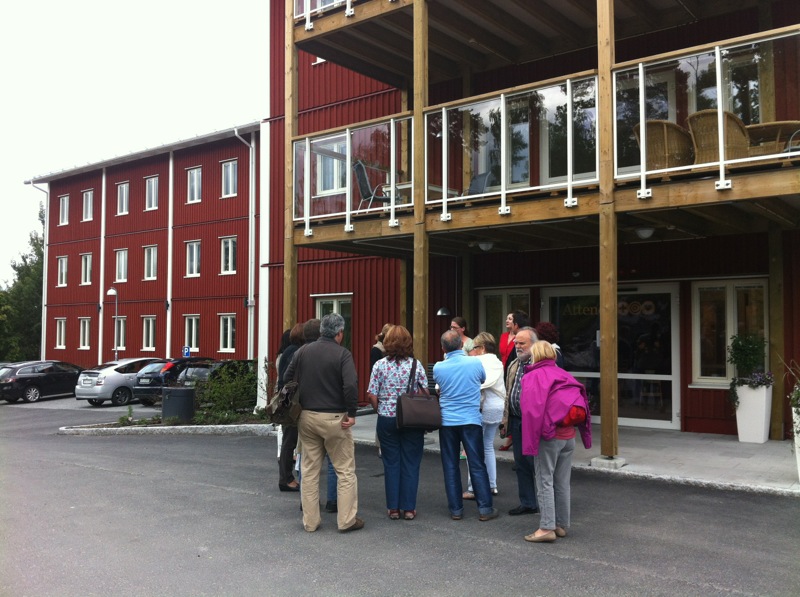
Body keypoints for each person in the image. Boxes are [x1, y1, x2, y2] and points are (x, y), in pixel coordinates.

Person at [284, 313, 362, 533]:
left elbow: (286, 380)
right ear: (340, 333)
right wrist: (352, 412)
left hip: (307, 416)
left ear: (321, 331)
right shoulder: (343, 354)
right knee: (345, 470)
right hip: (335, 418)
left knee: (309, 471)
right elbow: (350, 386)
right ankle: (346, 520)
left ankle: (310, 522)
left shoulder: (302, 352)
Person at [520, 340, 592, 543]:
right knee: (562, 482)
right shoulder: (564, 374)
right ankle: (560, 524)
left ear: (536, 355)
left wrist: (531, 441)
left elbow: (531, 411)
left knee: (545, 480)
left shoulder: (533, 376)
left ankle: (546, 528)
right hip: (568, 436)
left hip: (549, 436)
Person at [433, 329, 498, 522]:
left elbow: (438, 388)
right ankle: (485, 508)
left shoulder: (438, 367)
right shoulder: (475, 363)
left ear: (443, 348)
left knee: (450, 465)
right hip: (470, 420)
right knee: (477, 463)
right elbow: (482, 380)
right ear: (462, 345)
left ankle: (456, 510)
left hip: (447, 421)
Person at [367, 325, 428, 521]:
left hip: (387, 417)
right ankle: (409, 508)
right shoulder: (416, 365)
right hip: (411, 419)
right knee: (411, 462)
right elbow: (425, 393)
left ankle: (393, 508)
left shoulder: (380, 365)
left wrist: (381, 408)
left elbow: (372, 394)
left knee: (391, 463)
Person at [501, 326, 540, 517]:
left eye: (522, 343)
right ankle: (528, 503)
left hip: (535, 424)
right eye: (516, 343)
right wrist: (506, 421)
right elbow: (509, 393)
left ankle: (547, 504)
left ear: (534, 344)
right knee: (521, 463)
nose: (517, 346)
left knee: (538, 465)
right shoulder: (514, 364)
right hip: (517, 421)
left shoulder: (543, 364)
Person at [463, 332, 506, 499]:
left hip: (481, 407)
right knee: (488, 445)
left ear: (481, 348)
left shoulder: (478, 361)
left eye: (473, 348)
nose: (471, 351)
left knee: (472, 448)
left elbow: (477, 382)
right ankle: (492, 484)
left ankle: (473, 487)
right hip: (497, 407)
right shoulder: (497, 361)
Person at [276, 322, 305, 492]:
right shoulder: (295, 352)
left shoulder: (287, 351)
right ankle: (286, 479)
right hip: (291, 401)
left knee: (289, 439)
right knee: (290, 440)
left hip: (286, 399)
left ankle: (286, 477)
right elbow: (290, 379)